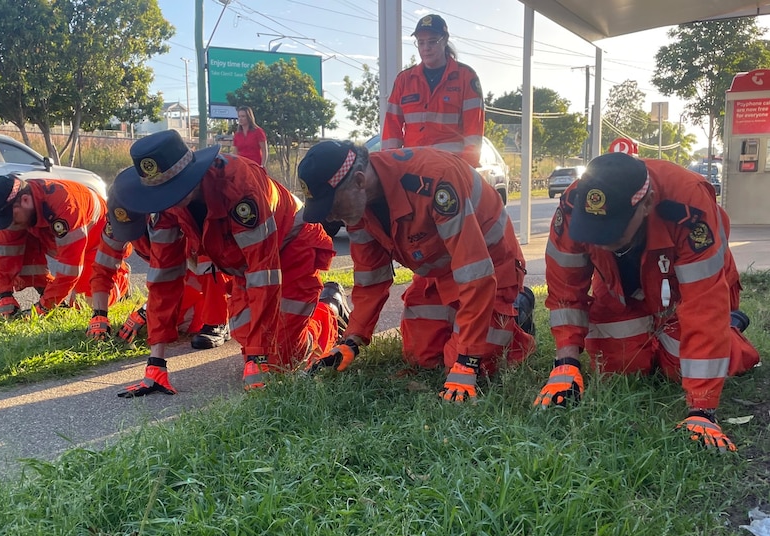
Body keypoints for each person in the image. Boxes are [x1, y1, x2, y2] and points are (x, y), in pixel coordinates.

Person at [538, 152, 760, 452]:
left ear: (646, 203)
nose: (600, 240)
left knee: (682, 366)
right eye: (593, 230)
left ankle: (731, 329)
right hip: (620, 290)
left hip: (682, 287)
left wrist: (702, 411)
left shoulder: (688, 204)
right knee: (616, 366)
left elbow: (704, 305)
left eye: (612, 231)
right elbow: (566, 287)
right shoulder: (575, 203)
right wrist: (565, 364)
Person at [113, 129, 348, 396]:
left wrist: (259, 358)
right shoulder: (166, 204)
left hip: (291, 246)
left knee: (279, 361)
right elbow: (163, 280)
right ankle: (276, 343)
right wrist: (156, 364)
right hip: (247, 264)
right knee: (247, 336)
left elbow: (264, 271)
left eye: (173, 190)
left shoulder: (239, 187)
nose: (170, 201)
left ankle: (330, 309)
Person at [297, 141, 536, 403]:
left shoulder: (434, 180)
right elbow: (370, 278)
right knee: (421, 358)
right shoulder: (358, 207)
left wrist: (467, 361)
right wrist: (352, 340)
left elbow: (475, 273)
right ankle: (469, 321)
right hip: (440, 274)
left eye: (332, 205)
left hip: (492, 266)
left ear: (359, 180)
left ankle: (517, 308)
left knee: (474, 368)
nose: (330, 217)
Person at [86, 181, 231, 350]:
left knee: (179, 316)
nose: (127, 234)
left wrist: (148, 310)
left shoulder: (174, 215)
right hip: (184, 276)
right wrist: (99, 315)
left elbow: (179, 271)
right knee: (165, 321)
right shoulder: (118, 220)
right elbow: (102, 268)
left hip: (218, 271)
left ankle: (218, 322)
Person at [0, 174, 129, 318]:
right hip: (58, 238)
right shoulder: (17, 209)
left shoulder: (65, 206)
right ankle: (48, 293)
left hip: (99, 243)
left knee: (84, 303)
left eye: (11, 218)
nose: (9, 224)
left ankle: (121, 281)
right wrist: (4, 295)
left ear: (25, 200)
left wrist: (44, 308)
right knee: (19, 242)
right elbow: (4, 252)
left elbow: (70, 269)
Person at [381, 14, 484, 168]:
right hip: (413, 167)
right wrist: (389, 166)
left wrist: (467, 170)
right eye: (421, 43)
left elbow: (473, 132)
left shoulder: (466, 77)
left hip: (452, 168)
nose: (426, 48)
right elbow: (391, 130)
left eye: (432, 42)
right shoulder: (404, 80)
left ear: (445, 40)